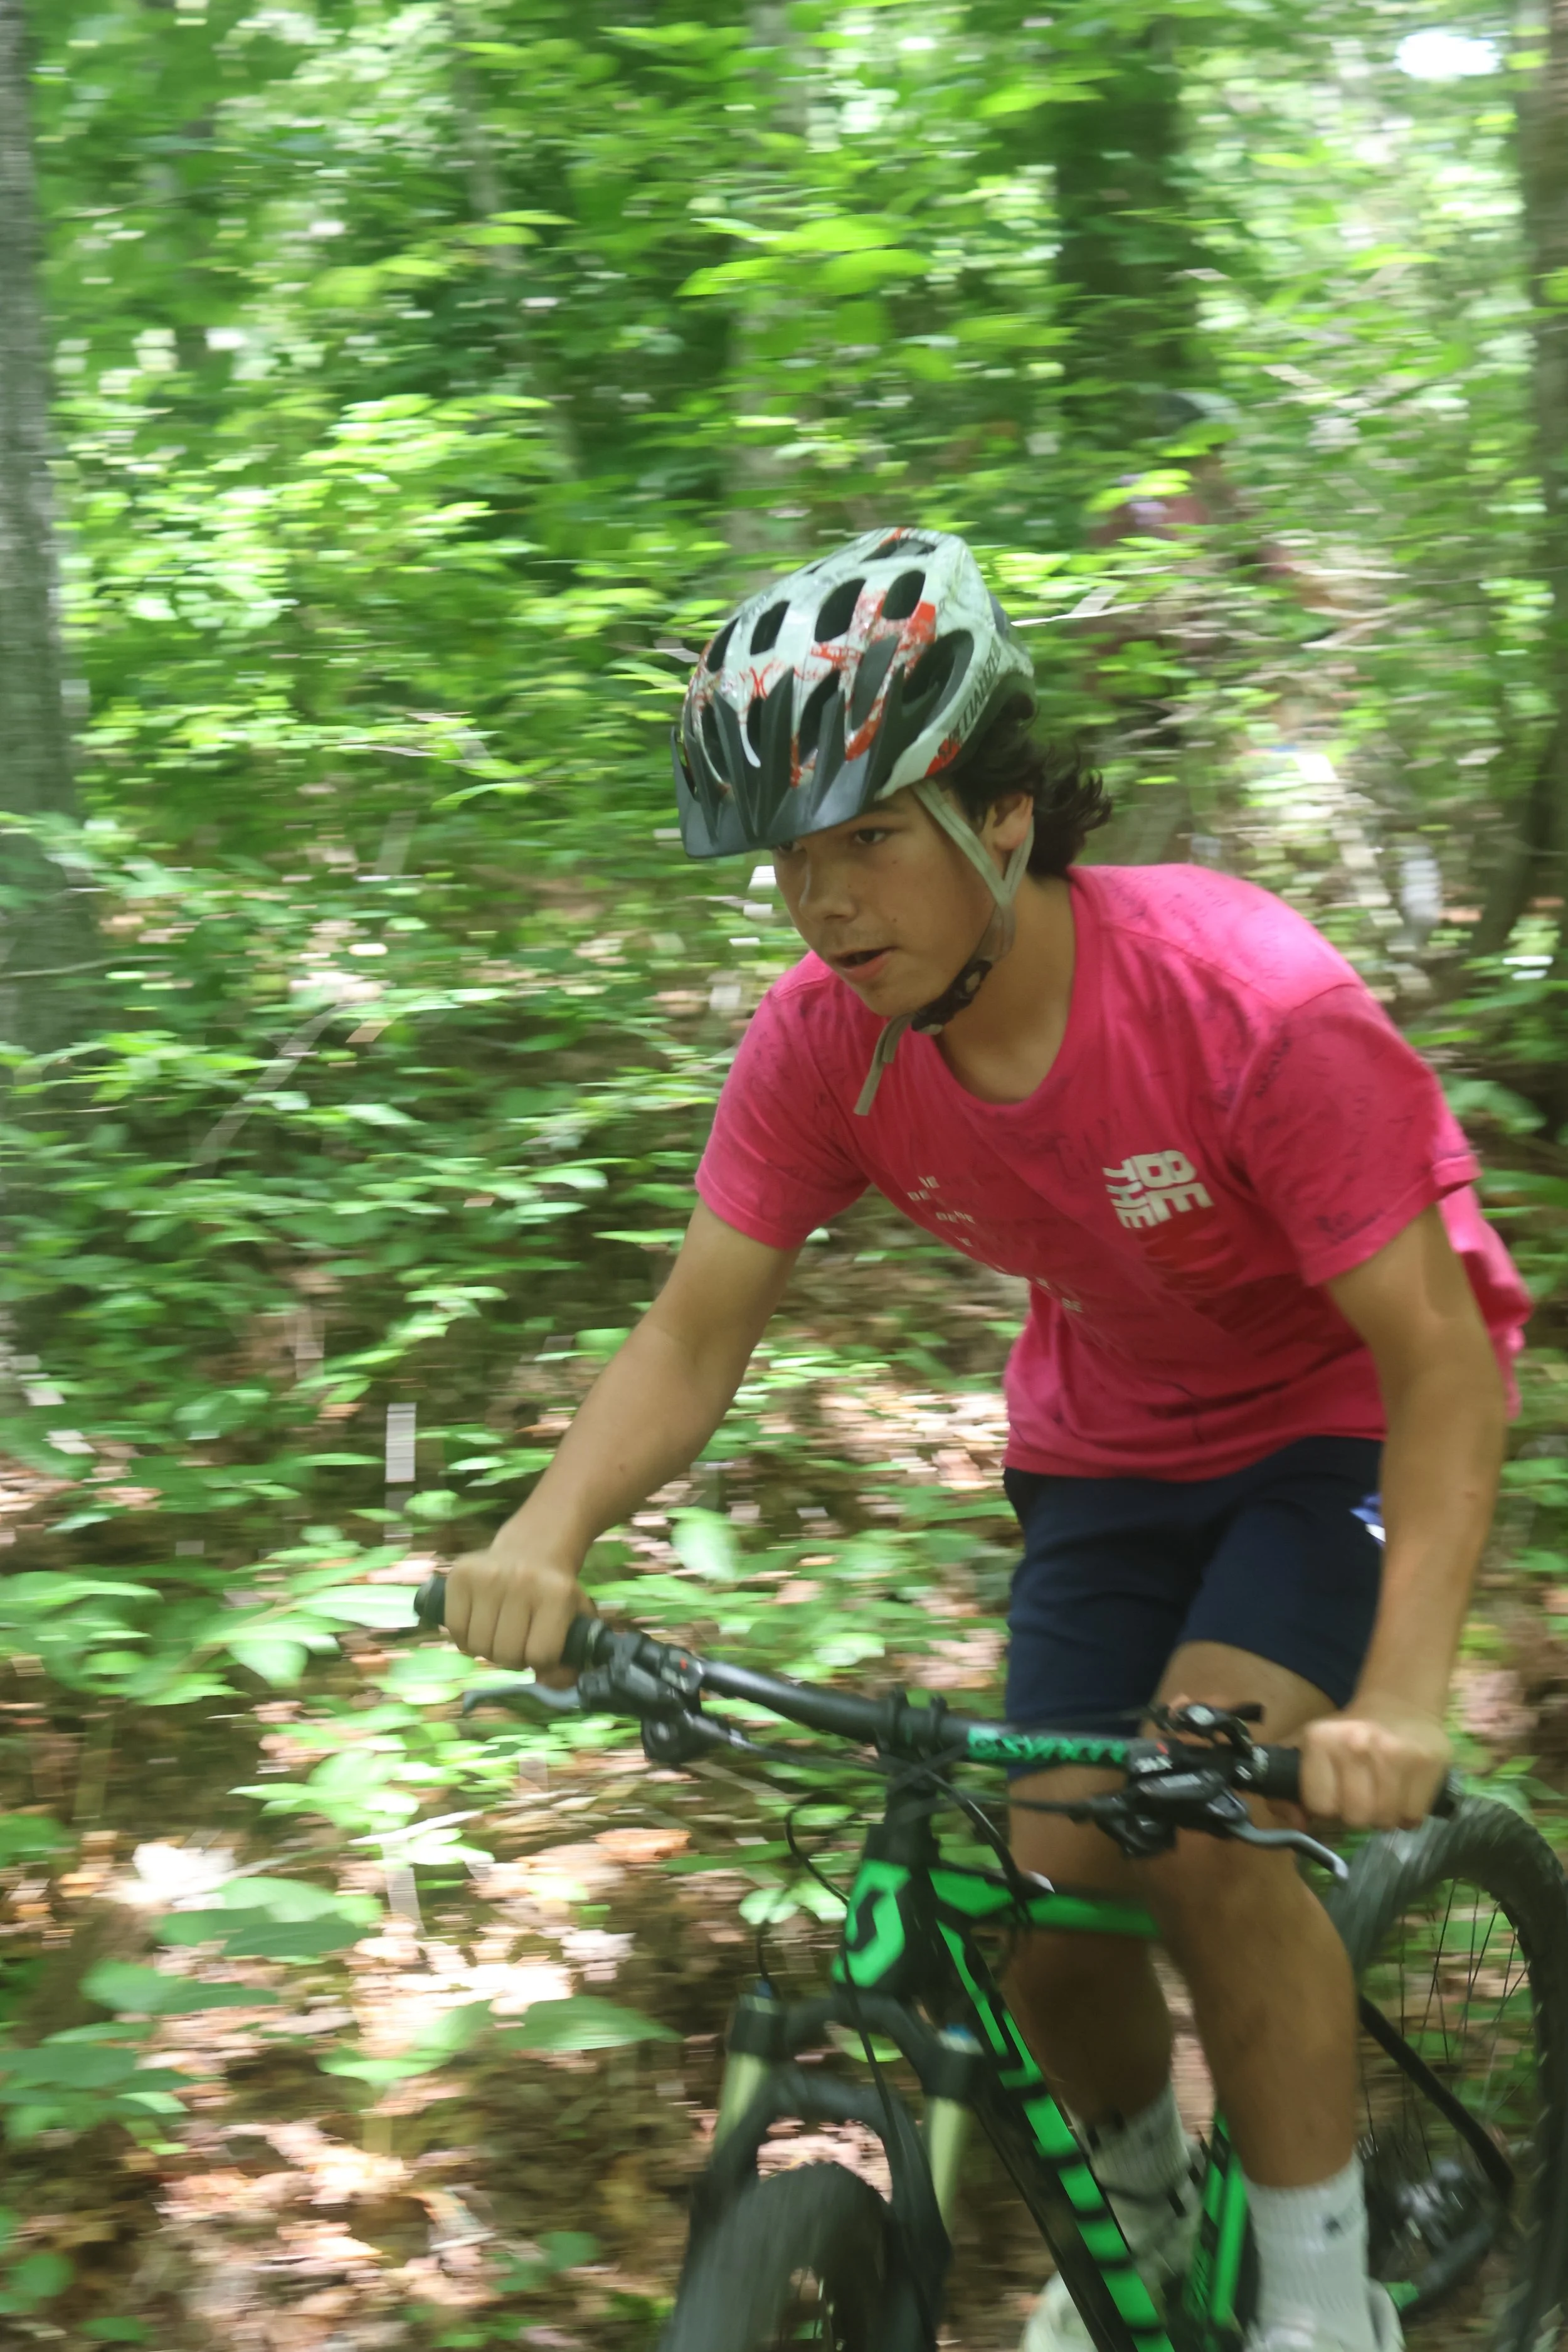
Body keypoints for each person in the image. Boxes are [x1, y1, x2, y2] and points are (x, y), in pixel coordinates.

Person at [445, 528, 1527, 2352]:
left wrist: (1404, 1687)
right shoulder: (825, 1047)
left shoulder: (1242, 1002)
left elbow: (1437, 1361)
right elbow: (696, 1326)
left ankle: (1325, 2304)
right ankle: (1140, 2228)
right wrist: (546, 1536)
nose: (823, 897)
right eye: (792, 853)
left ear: (1002, 814)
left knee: (1199, 1822)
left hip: (1333, 1424)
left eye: (870, 834)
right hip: (1106, 1443)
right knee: (1044, 1882)